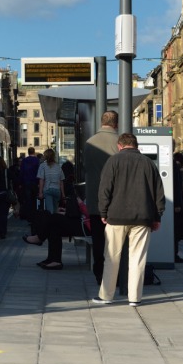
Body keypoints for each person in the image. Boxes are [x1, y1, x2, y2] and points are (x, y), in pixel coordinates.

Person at [92, 133, 165, 308]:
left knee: (111, 257)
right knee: (138, 258)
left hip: (116, 216)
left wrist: (103, 212)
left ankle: (107, 296)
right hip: (142, 217)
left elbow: (104, 190)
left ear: (120, 145)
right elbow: (158, 193)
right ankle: (134, 298)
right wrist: (157, 216)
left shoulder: (113, 161)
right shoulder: (148, 163)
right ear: (136, 145)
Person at [81, 110, 119, 285]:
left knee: (98, 239)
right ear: (116, 124)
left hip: (95, 200)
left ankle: (99, 273)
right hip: (116, 201)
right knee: (117, 241)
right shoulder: (119, 142)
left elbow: (86, 168)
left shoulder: (89, 143)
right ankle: (116, 275)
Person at [37, 148, 67, 213]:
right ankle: (55, 221)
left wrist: (40, 192)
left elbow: (41, 180)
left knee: (49, 211)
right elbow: (61, 181)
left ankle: (51, 222)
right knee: (55, 209)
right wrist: (63, 194)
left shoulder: (42, 166)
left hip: (47, 189)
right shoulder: (58, 166)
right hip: (57, 190)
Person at [19, 148, 41, 221]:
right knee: (34, 198)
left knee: (28, 199)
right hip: (35, 182)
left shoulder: (24, 160)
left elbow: (21, 172)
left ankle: (29, 216)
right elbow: (39, 172)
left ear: (28, 152)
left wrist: (21, 183)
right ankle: (34, 215)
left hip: (26, 182)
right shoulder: (37, 160)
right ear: (34, 152)